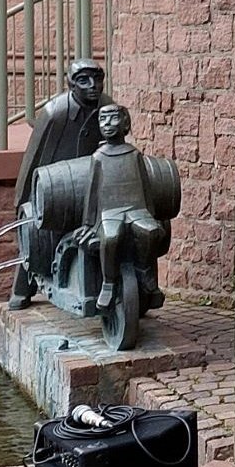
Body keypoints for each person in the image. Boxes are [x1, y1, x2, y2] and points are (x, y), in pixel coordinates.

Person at [8, 59, 114, 310]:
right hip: (52, 182)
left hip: (89, 180)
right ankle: (22, 290)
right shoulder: (55, 112)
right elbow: (31, 157)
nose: (93, 86)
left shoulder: (107, 106)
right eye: (84, 80)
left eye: (97, 79)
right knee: (36, 237)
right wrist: (22, 199)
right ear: (70, 85)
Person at [84, 104, 173, 312]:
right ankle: (109, 282)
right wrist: (88, 224)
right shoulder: (98, 158)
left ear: (125, 123)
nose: (107, 124)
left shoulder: (134, 155)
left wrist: (152, 215)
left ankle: (144, 271)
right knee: (111, 238)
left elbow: (145, 189)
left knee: (149, 232)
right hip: (109, 213)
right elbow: (92, 193)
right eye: (103, 120)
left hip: (136, 209)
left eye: (113, 119)